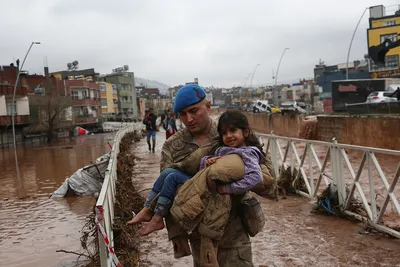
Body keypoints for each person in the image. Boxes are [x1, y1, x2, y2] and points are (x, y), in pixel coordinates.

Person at [128, 110, 264, 237]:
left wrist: (229, 188)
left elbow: (256, 177)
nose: (228, 136)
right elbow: (204, 168)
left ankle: (157, 218)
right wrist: (208, 161)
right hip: (203, 180)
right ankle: (147, 209)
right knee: (167, 172)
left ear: (246, 133)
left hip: (212, 191)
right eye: (224, 133)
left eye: (233, 131)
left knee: (172, 178)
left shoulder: (248, 153)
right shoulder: (225, 149)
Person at [160, 84, 255, 266]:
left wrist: (233, 179)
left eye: (194, 111)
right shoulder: (172, 146)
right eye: (182, 114)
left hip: (235, 234)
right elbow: (168, 191)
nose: (189, 119)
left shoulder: (231, 132)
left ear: (208, 106)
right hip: (200, 236)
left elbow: (266, 177)